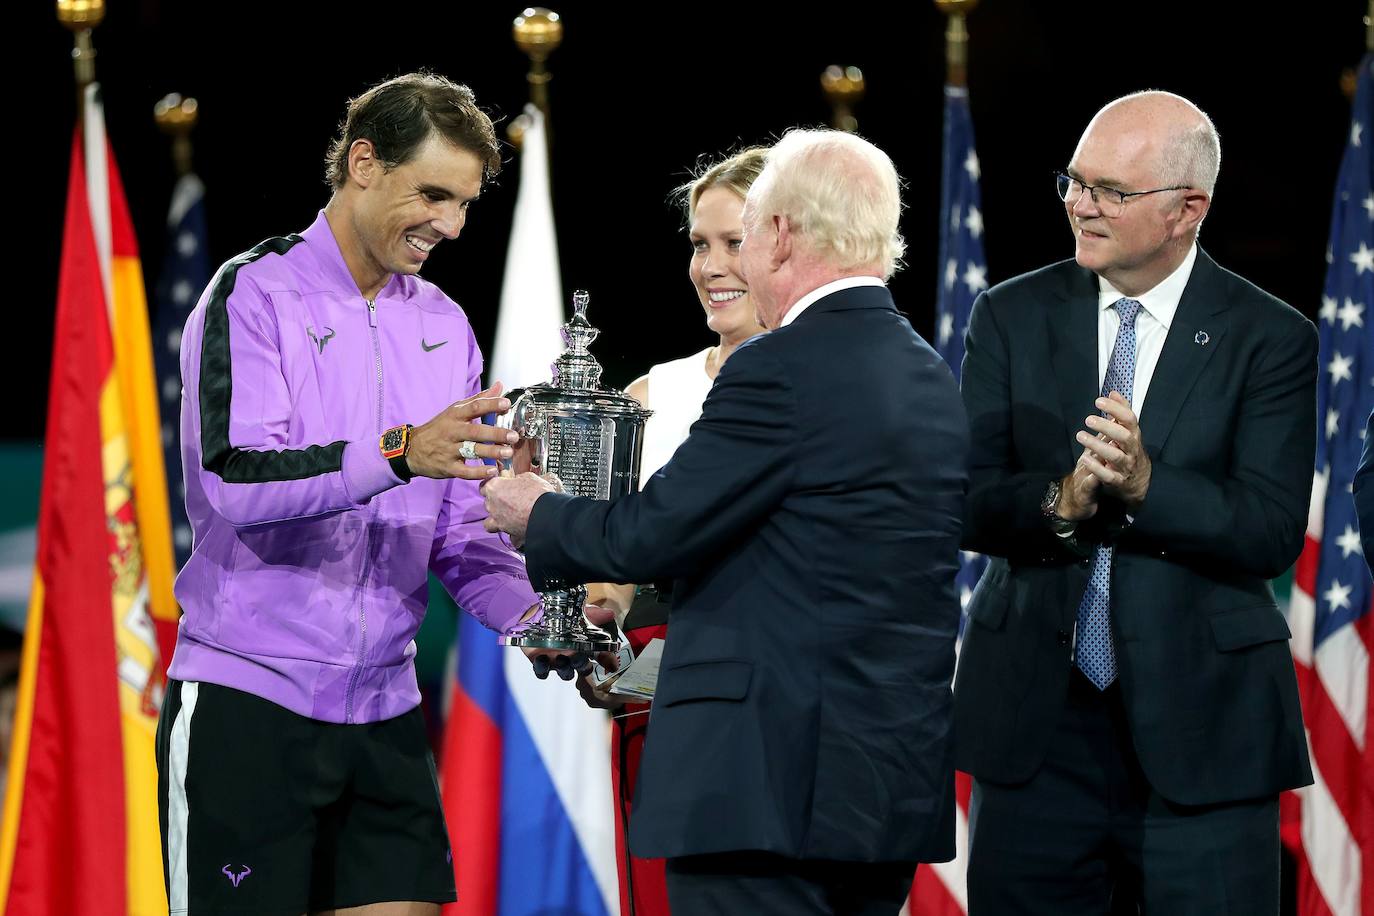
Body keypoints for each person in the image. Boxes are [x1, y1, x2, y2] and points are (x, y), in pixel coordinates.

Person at [483, 128, 968, 916]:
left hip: (765, 793)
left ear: (778, 233)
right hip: (880, 792)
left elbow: (652, 532)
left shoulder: (778, 367)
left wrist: (539, 512)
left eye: (740, 238)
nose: (721, 264)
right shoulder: (927, 374)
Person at [155, 72, 540, 916]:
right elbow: (235, 480)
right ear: (362, 162)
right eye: (432, 193)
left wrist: (538, 623)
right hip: (249, 705)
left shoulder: (445, 324)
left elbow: (457, 531)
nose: (450, 224)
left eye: (466, 203)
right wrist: (401, 452)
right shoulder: (252, 292)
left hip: (387, 712)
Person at [953, 90, 1317, 915]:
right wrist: (1062, 498)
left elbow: (1268, 530)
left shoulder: (1271, 337)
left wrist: (1148, 487)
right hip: (1038, 736)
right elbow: (964, 500)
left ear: (1189, 208)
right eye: (1074, 182)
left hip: (1204, 735)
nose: (1080, 204)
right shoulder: (1008, 315)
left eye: (1110, 191)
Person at [578, 147, 769, 916]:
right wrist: (598, 622)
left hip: (789, 725)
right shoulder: (653, 395)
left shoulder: (838, 388)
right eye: (699, 242)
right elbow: (611, 572)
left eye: (735, 243)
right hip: (666, 717)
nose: (710, 266)